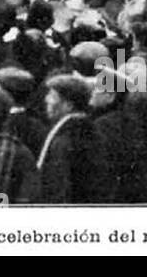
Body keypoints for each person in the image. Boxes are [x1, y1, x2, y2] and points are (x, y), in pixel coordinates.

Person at [37, 73, 113, 203]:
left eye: (52, 96)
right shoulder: (89, 131)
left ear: (68, 105)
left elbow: (58, 189)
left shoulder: (65, 140)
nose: (46, 100)